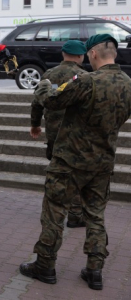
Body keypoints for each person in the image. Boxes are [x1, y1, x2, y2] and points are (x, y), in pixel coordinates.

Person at [19, 34, 131, 291]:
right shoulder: (128, 84)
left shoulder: (86, 81)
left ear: (92, 54)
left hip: (69, 162)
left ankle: (45, 266)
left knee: (54, 213)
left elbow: (51, 101)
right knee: (95, 216)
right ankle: (94, 270)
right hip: (102, 163)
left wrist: (45, 84)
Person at [29, 40, 88, 227]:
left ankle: (54, 213)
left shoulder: (48, 75)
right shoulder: (85, 77)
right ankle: (76, 215)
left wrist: (35, 125)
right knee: (76, 174)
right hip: (77, 137)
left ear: (63, 55)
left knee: (57, 173)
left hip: (55, 135)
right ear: (80, 56)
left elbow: (37, 102)